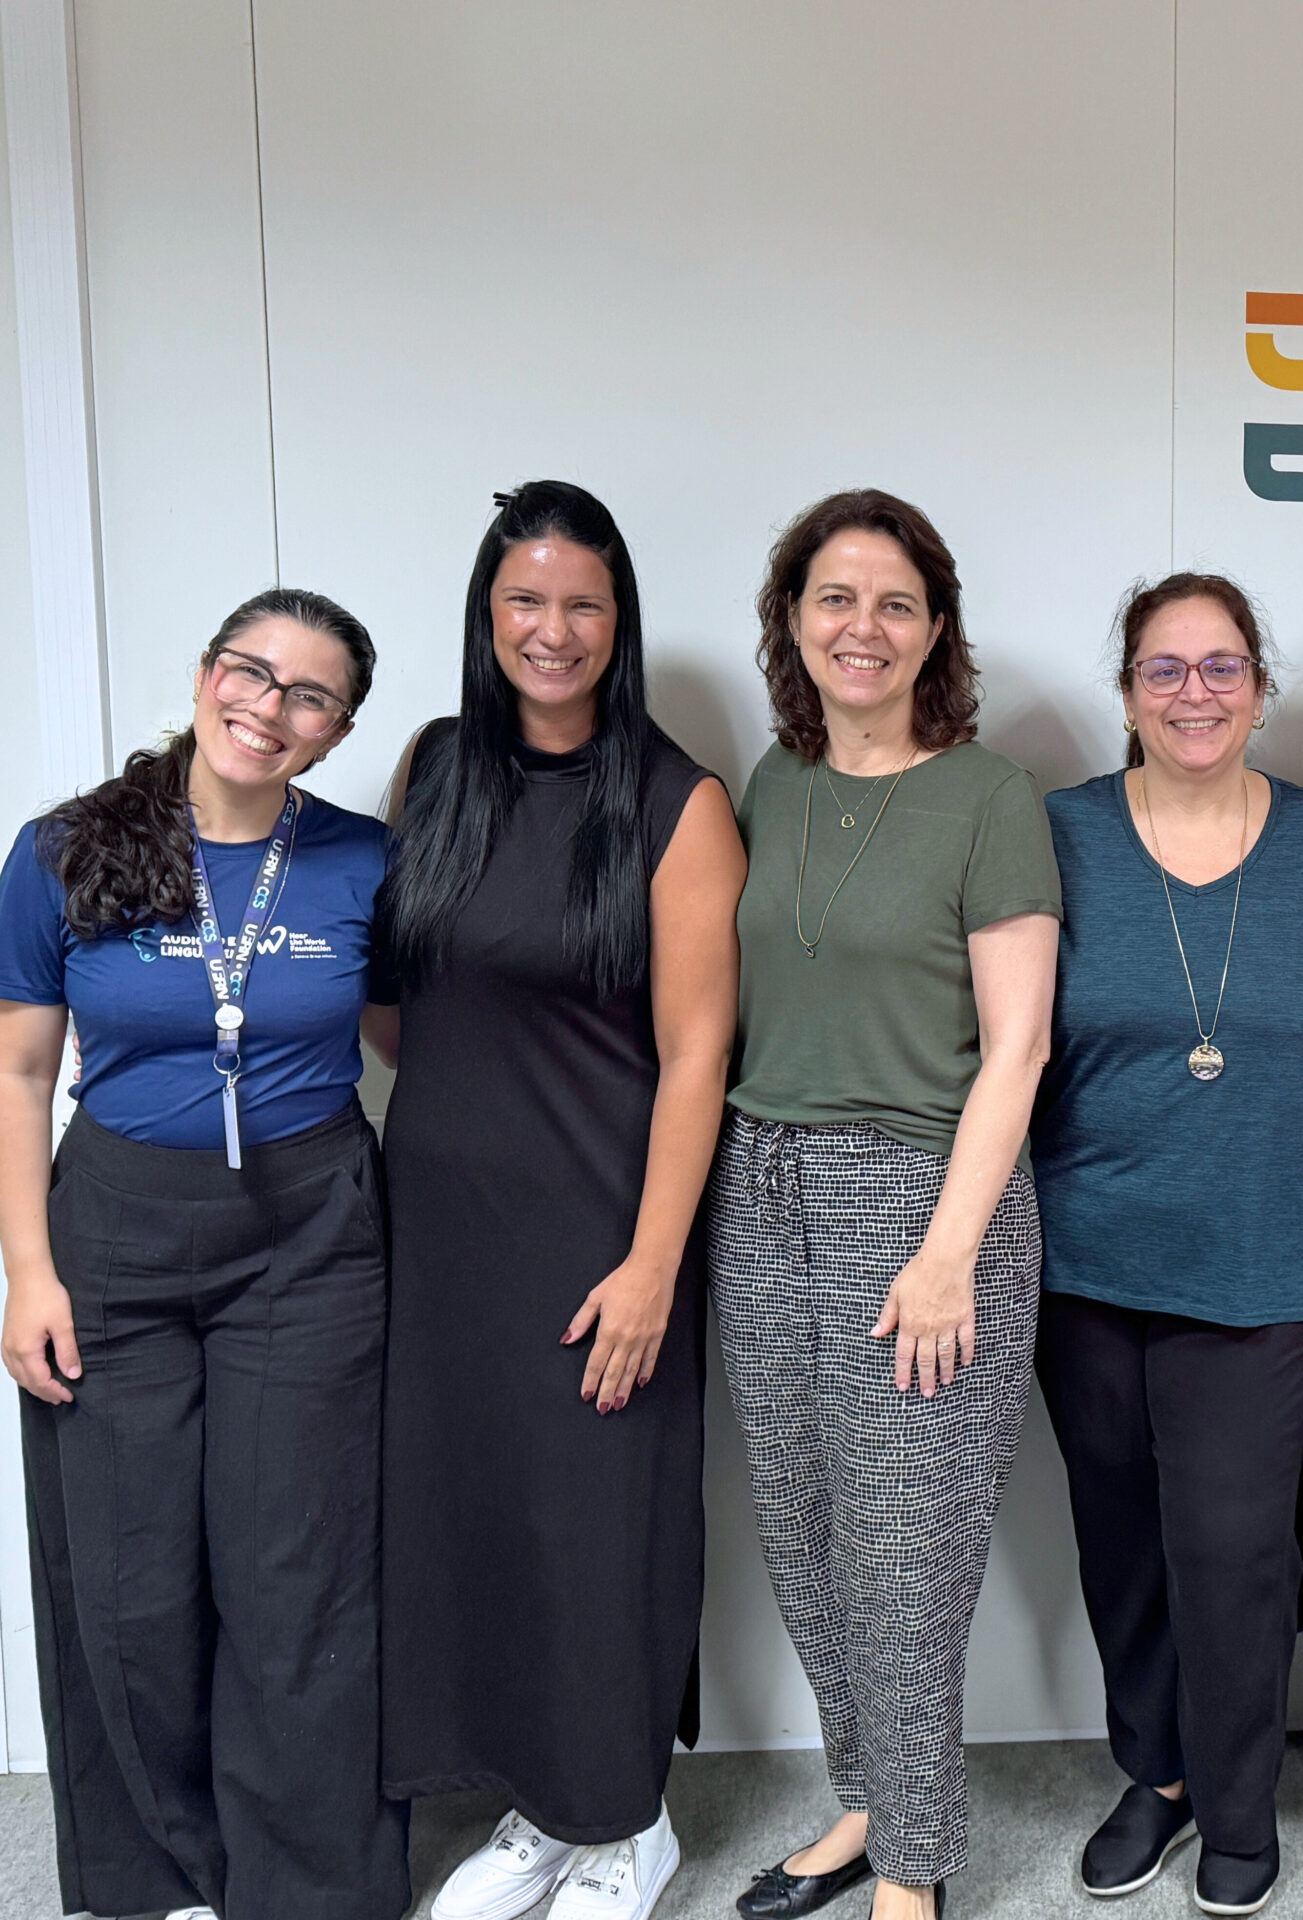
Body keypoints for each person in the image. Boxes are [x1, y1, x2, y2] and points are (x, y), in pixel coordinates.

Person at [0, 590, 407, 1920]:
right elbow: (17, 1073)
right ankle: (155, 1880)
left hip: (311, 1238)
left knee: (299, 1576)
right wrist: (29, 1275)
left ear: (339, 729)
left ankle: (306, 1887)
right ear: (204, 673)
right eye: (251, 672)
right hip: (112, 1231)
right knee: (126, 1581)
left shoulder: (362, 862)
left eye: (310, 695)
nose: (268, 708)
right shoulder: (62, 851)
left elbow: (425, 1040)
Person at [379, 483, 743, 1920]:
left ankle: (624, 1823)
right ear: (487, 615)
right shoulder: (432, 771)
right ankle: (542, 1808)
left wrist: (655, 1259)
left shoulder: (677, 801)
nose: (553, 629)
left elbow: (701, 1051)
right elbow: (408, 1011)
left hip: (604, 1223)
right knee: (483, 1519)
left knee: (603, 1528)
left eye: (582, 603)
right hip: (445, 1237)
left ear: (620, 621)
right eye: (525, 601)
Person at [714, 490, 1058, 1920]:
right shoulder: (769, 782)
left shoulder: (986, 798)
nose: (865, 627)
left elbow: (1019, 1044)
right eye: (836, 598)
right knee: (804, 1540)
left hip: (921, 1196)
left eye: (897, 603)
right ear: (794, 620)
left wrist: (947, 1253)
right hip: (761, 1185)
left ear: (936, 632)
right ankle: (867, 1801)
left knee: (905, 1562)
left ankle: (911, 1877)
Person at [1035, 574, 1303, 1917]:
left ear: (1261, 689)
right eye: (1165, 670)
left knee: (1234, 1550)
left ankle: (1239, 1801)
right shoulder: (1055, 832)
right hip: (1086, 1255)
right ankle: (1155, 1773)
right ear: (1126, 690)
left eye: (1222, 668)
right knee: (1121, 1539)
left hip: (1265, 1256)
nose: (1194, 693)